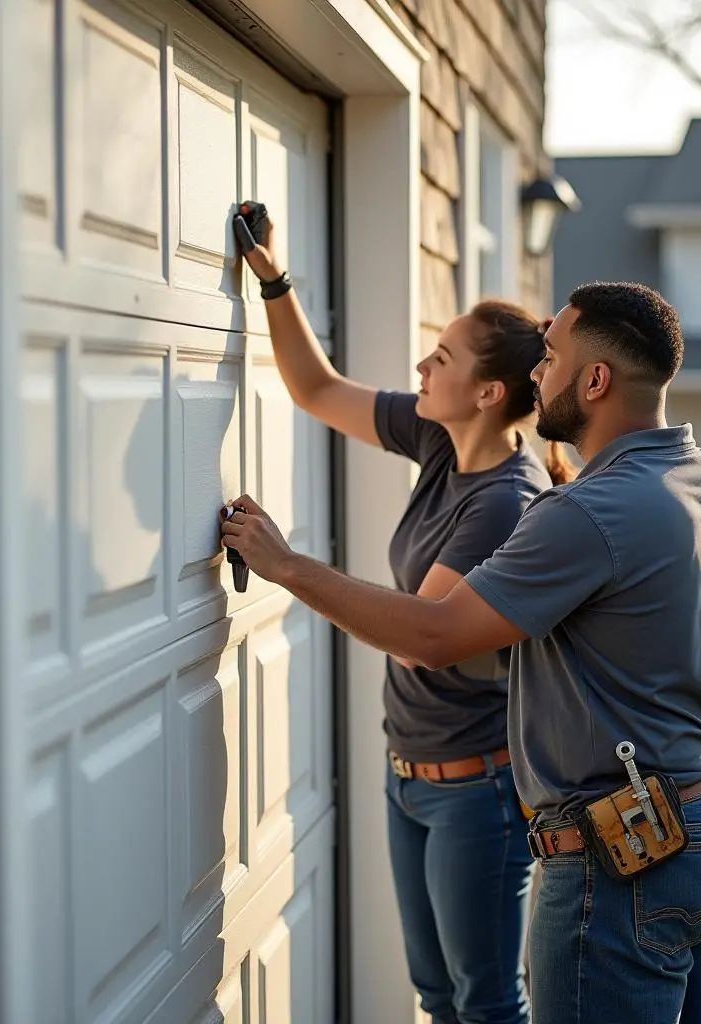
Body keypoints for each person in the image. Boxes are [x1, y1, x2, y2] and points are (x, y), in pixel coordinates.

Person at [221, 279, 701, 1024]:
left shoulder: (581, 512)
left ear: (595, 380)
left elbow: (433, 635)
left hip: (623, 862)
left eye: (552, 357)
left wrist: (286, 566)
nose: (539, 374)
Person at [232, 203, 574, 1024]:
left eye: (442, 356)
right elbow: (315, 388)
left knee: (486, 1001)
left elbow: (425, 639)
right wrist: (274, 280)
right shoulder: (437, 440)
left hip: (477, 791)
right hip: (411, 774)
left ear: (488, 393)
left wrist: (285, 567)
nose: (423, 364)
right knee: (437, 995)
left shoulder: (503, 502)